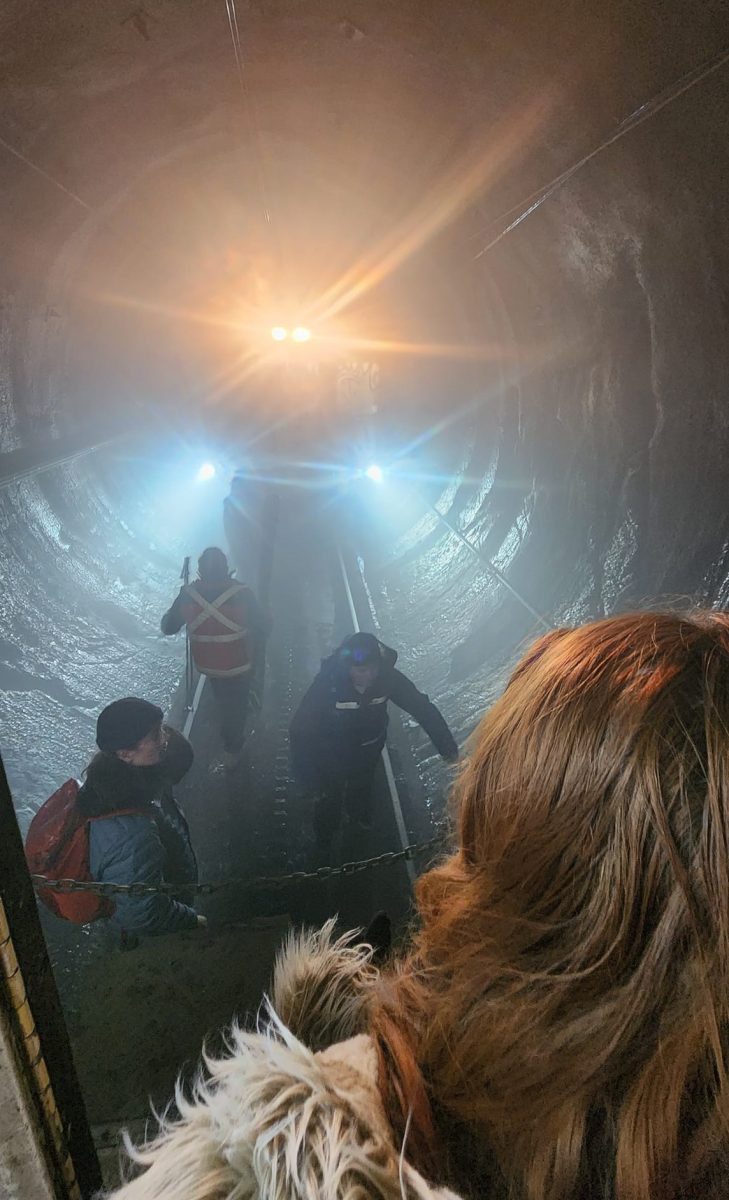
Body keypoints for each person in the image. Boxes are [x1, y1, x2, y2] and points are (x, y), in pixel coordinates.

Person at [108, 611, 729, 1200]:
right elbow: (302, 734)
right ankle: (329, 832)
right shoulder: (328, 688)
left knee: (350, 806)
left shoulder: (286, 1155)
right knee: (335, 814)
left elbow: (420, 707)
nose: (364, 678)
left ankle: (339, 824)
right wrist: (316, 772)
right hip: (336, 767)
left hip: (355, 766)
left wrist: (444, 746)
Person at [290, 631, 458, 853]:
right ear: (348, 668)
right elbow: (300, 728)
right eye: (361, 670)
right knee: (328, 797)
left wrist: (449, 753)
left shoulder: (388, 679)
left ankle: (359, 823)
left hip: (368, 750)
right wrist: (306, 777)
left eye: (373, 669)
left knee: (362, 789)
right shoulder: (327, 684)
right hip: (331, 755)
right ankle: (324, 840)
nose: (369, 675)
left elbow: (422, 709)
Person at [79, 697, 205, 941]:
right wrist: (190, 919)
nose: (165, 739)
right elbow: (140, 913)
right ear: (126, 754)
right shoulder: (132, 834)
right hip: (154, 925)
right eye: (156, 735)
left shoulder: (117, 783)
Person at [161, 547, 267, 768]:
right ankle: (233, 746)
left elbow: (169, 627)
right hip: (239, 664)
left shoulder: (188, 594)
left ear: (199, 571)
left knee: (222, 691)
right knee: (236, 705)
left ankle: (223, 713)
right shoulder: (241, 593)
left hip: (207, 665)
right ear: (227, 569)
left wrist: (182, 606)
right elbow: (264, 625)